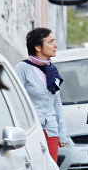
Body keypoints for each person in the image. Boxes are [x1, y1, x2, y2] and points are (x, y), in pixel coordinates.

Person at [16, 28, 67, 162]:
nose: (55, 45)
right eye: (50, 42)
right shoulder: (23, 68)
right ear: (38, 47)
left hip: (51, 131)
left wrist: (62, 132)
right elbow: (15, 99)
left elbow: (56, 102)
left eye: (54, 41)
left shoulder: (52, 70)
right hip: (31, 131)